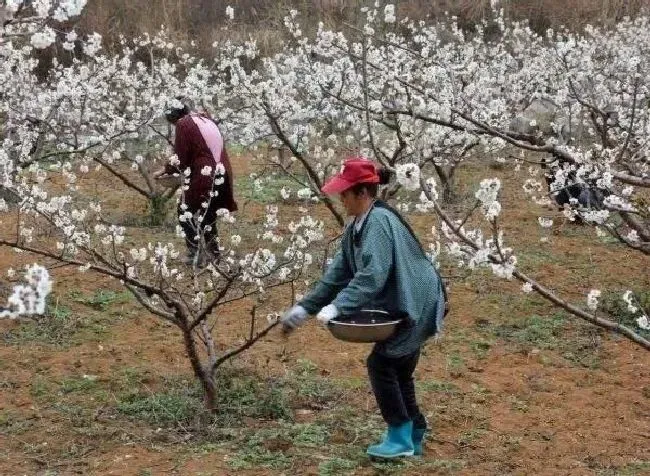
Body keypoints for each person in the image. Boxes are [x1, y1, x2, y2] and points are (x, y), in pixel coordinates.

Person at [281, 157, 448, 459]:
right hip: (411, 299)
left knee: (382, 365)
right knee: (398, 369)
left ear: (362, 193)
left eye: (345, 193)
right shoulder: (357, 225)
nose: (340, 198)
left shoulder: (379, 223)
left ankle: (400, 439)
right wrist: (306, 308)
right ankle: (414, 433)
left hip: (419, 301)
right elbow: (338, 272)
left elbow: (373, 276)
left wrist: (338, 306)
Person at [154, 101, 237, 264]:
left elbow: (181, 156)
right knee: (208, 213)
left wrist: (166, 169)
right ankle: (214, 254)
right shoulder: (205, 119)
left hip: (206, 174)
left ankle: (195, 254)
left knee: (185, 211)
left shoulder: (184, 124)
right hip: (223, 172)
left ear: (172, 116)